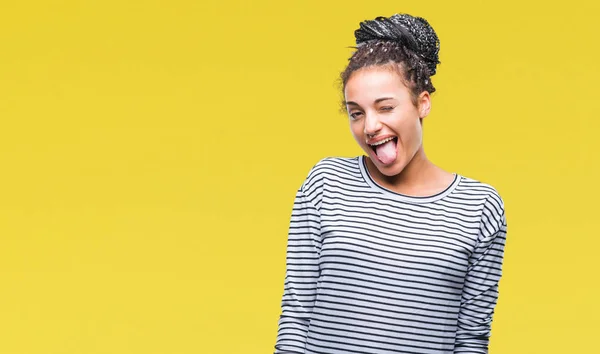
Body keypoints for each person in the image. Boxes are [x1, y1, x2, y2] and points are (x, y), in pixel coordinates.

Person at [273, 13, 508, 354]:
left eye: (385, 107)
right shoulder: (326, 183)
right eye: (356, 112)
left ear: (422, 103)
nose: (369, 126)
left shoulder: (478, 207)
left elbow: (470, 340)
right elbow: (296, 317)